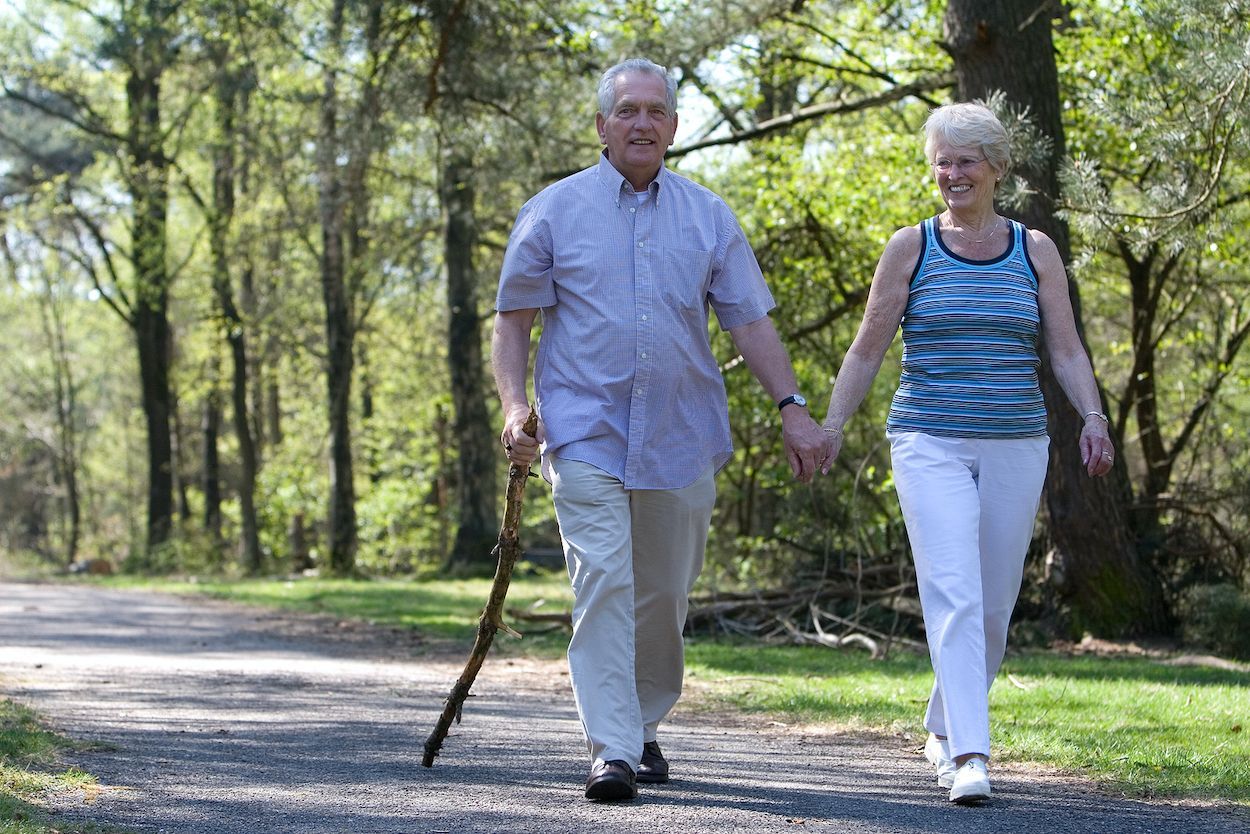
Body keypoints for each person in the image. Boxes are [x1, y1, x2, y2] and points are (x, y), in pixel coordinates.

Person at [491, 57, 831, 802]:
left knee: (664, 596)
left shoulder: (708, 215)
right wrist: (515, 407)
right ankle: (611, 748)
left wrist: (793, 408)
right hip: (583, 429)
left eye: (655, 111)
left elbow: (749, 321)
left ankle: (643, 725)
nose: (641, 123)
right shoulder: (553, 210)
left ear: (674, 127)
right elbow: (513, 321)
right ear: (601, 126)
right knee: (604, 579)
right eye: (626, 111)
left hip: (681, 433)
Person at [818, 102, 1115, 804]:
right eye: (942, 162)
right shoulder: (911, 247)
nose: (952, 174)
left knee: (992, 603)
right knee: (952, 587)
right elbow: (868, 349)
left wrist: (1094, 416)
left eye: (966, 161)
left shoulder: (1035, 250)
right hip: (928, 438)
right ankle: (970, 756)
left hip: (1017, 439)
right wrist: (829, 427)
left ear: (997, 168)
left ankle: (944, 725)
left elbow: (1065, 348)